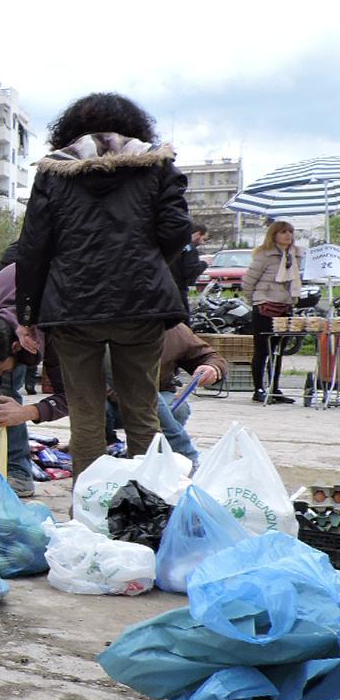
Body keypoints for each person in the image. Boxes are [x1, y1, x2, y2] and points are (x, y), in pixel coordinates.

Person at [14, 94, 192, 484]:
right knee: (143, 414)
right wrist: (146, 262)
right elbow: (177, 231)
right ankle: (149, 504)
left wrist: (26, 315)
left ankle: (87, 509)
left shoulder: (55, 172)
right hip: (142, 303)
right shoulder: (157, 165)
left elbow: (33, 247)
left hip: (72, 307)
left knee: (86, 417)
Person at [0, 262, 68, 498]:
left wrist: (29, 412)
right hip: (13, 292)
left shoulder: (53, 330)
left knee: (8, 393)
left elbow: (73, 396)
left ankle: (19, 472)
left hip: (61, 304)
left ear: (15, 346)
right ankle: (3, 468)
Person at [106, 323, 225, 470]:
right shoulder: (108, 326)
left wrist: (212, 367)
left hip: (159, 393)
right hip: (110, 396)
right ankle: (183, 453)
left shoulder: (174, 329)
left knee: (177, 408)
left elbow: (208, 356)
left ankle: (162, 451)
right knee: (97, 406)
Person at [243, 220, 305, 404]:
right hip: (265, 306)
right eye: (283, 232)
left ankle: (274, 388)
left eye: (290, 232)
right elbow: (248, 281)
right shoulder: (265, 254)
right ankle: (258, 389)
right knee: (263, 349)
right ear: (274, 234)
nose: (288, 235)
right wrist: (256, 301)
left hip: (285, 306)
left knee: (278, 351)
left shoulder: (295, 255)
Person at [172, 223, 209, 307]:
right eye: (204, 239)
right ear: (198, 234)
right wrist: (204, 263)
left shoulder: (175, 245)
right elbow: (191, 271)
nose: (203, 243)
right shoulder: (191, 249)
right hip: (180, 289)